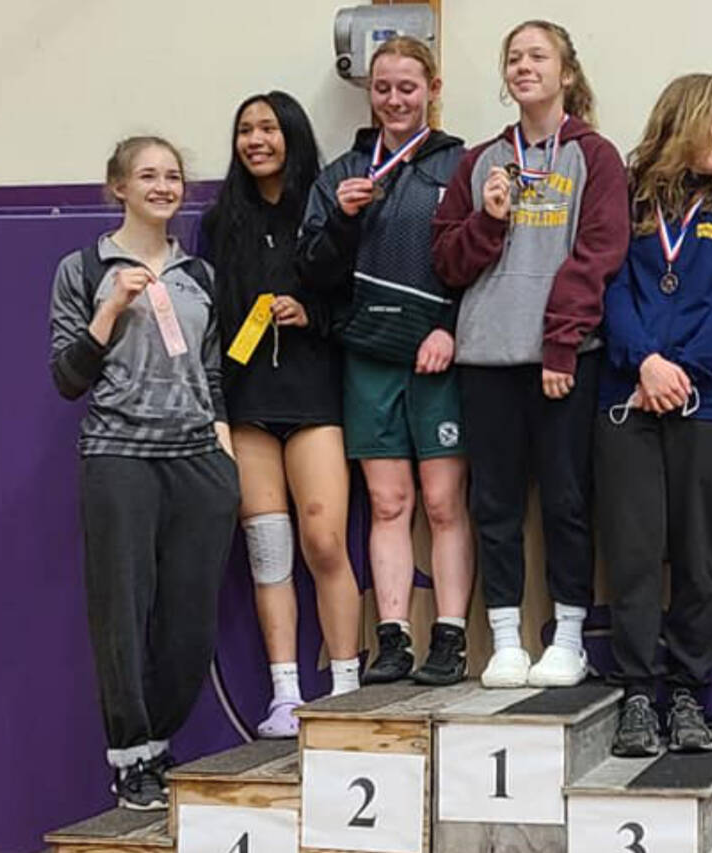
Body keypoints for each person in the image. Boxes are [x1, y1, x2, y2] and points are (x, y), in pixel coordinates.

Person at [432, 20, 629, 688]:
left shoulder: (595, 157)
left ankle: (568, 636)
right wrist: (487, 220)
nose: (523, 66)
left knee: (568, 500)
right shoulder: (481, 160)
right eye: (513, 57)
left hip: (563, 357)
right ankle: (508, 638)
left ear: (566, 73)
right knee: (495, 502)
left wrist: (561, 343)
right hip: (486, 356)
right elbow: (447, 261)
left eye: (537, 56)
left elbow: (599, 253)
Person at [49, 137, 240, 809]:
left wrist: (221, 440)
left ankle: (157, 739)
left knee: (189, 623)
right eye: (148, 175)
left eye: (173, 176)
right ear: (118, 187)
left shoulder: (201, 277)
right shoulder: (82, 267)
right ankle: (130, 755)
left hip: (196, 460)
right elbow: (66, 377)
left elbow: (213, 369)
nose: (163, 185)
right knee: (122, 613)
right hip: (119, 458)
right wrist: (108, 311)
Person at [596, 73, 712, 756]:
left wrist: (682, 370)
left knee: (699, 558)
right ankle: (639, 694)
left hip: (707, 403)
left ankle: (691, 696)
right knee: (634, 556)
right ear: (684, 120)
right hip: (628, 398)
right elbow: (608, 284)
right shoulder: (629, 193)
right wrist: (643, 360)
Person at [296, 37, 474, 685]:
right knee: (388, 501)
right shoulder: (341, 173)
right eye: (383, 88)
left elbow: (485, 258)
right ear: (368, 92)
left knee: (443, 501)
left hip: (436, 355)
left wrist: (451, 327)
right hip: (368, 354)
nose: (395, 99)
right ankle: (393, 636)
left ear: (432, 88)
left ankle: (450, 635)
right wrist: (342, 221)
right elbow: (312, 271)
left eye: (407, 87)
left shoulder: (462, 166)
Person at [200, 92, 363, 739]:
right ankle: (285, 692)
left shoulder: (322, 209)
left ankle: (345, 683)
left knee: (324, 539)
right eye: (245, 129)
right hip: (248, 407)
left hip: (314, 397)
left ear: (292, 135)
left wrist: (309, 314)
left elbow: (349, 301)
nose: (256, 139)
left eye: (268, 127)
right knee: (268, 552)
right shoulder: (221, 224)